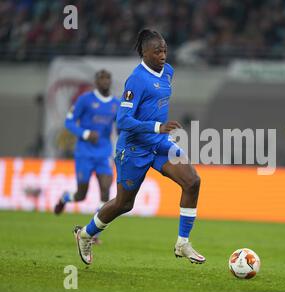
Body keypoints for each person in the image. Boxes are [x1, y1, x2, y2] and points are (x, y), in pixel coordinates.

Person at [73, 29, 206, 265]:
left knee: (192, 181)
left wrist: (159, 132)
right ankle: (85, 235)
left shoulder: (168, 72)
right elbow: (122, 120)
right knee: (124, 203)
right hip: (133, 150)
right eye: (157, 51)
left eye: (164, 50)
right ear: (144, 54)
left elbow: (155, 105)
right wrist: (157, 127)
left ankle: (183, 243)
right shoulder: (136, 80)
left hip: (159, 145)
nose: (163, 55)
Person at [54, 70, 118, 233]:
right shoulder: (85, 100)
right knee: (81, 195)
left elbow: (120, 128)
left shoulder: (116, 104)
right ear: (96, 82)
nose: (105, 81)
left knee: (106, 190)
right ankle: (64, 198)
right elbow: (69, 122)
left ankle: (92, 231)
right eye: (101, 78)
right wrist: (86, 133)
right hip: (84, 153)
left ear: (111, 81)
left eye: (107, 78)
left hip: (104, 153)